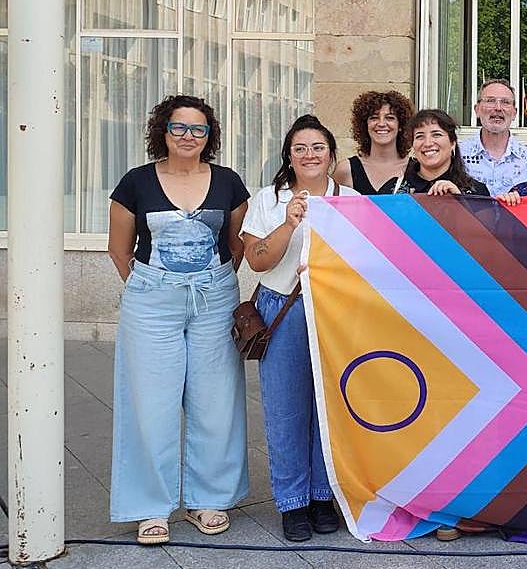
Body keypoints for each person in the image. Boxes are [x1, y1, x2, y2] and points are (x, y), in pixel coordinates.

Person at [106, 94, 249, 545]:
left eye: (198, 129)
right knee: (150, 402)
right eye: (179, 127)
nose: (189, 136)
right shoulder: (136, 182)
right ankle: (151, 507)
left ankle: (210, 498)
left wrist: (215, 282)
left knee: (216, 400)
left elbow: (236, 243)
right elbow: (119, 248)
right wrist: (154, 287)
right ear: (162, 131)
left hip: (213, 296)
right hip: (152, 300)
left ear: (210, 136)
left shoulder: (228, 182)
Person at [241, 115, 359, 542]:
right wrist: (289, 224)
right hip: (282, 307)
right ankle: (292, 502)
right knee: (286, 406)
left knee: (329, 406)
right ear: (288, 156)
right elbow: (256, 260)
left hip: (332, 309)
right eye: (300, 148)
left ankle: (322, 494)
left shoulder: (350, 198)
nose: (309, 155)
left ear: (331, 155)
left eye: (318, 148)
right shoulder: (268, 199)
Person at [458, 79, 527, 196]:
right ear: (477, 110)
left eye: (505, 102)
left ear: (514, 113)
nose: (498, 108)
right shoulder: (457, 155)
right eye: (490, 101)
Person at [332, 89, 414, 195]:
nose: (381, 123)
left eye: (389, 118)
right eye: (374, 118)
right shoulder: (346, 170)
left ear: (401, 126)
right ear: (365, 125)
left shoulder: (417, 169)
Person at [396, 109, 489, 197]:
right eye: (420, 136)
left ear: (453, 143)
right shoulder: (393, 189)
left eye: (436, 135)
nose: (428, 143)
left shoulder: (477, 192)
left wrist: (460, 200)